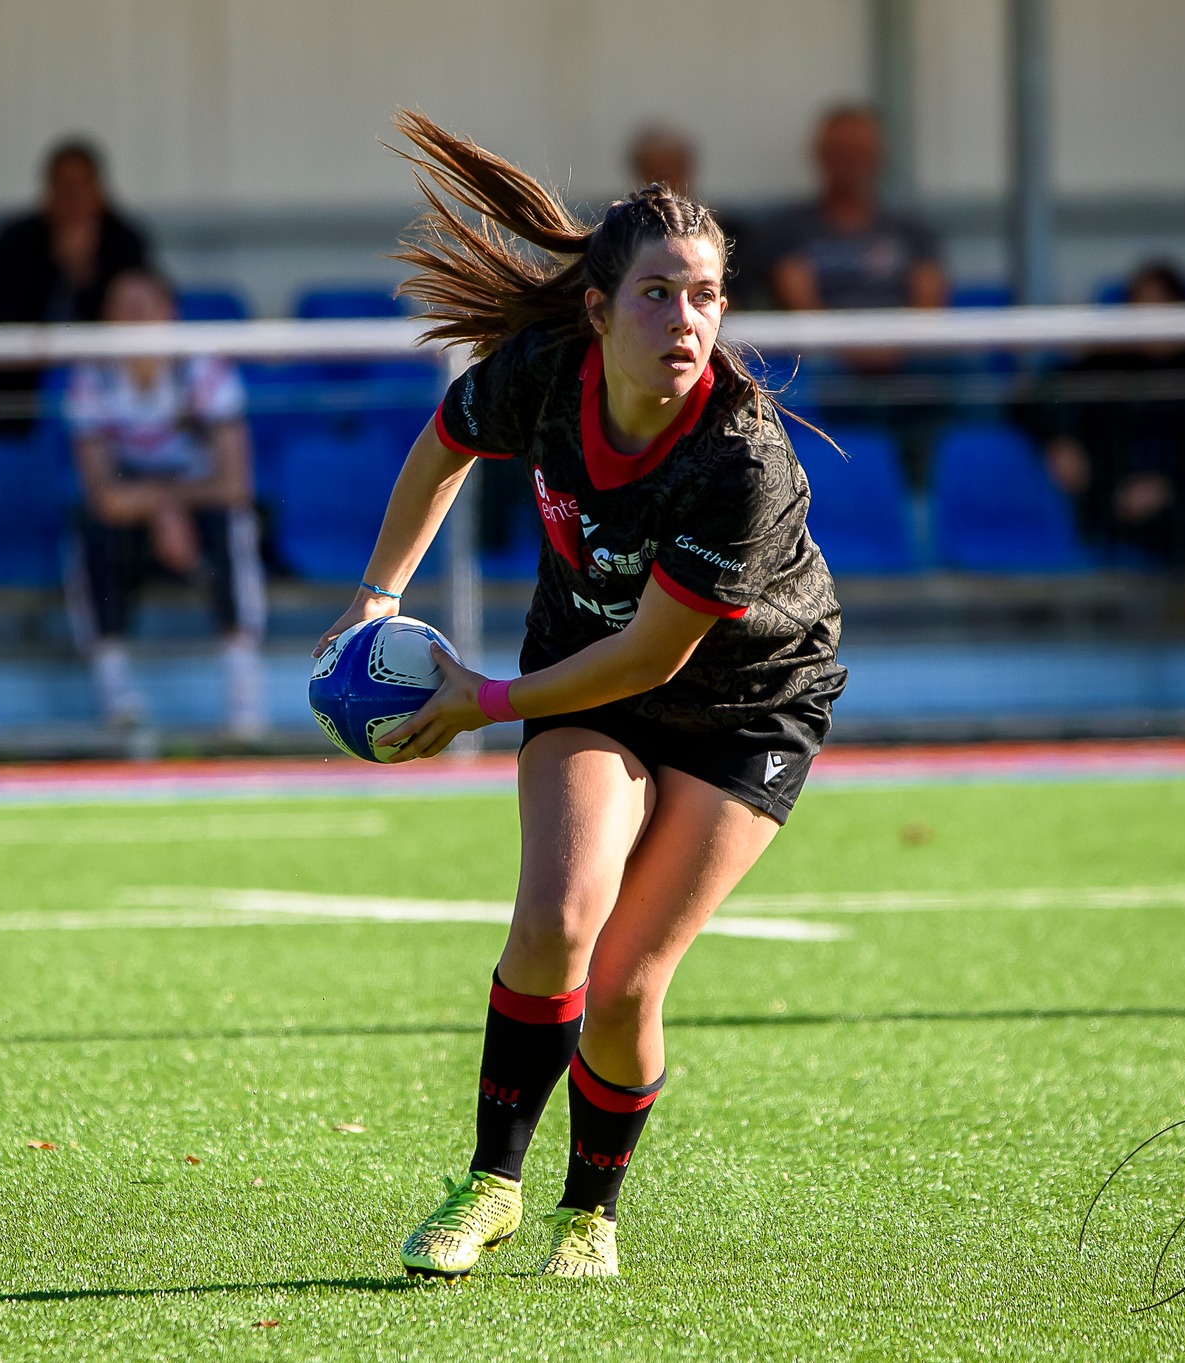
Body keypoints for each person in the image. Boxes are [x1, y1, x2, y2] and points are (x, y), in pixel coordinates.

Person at [322, 112, 845, 1280]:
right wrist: (374, 598)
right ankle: (489, 1187)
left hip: (746, 703)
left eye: (705, 296)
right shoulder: (547, 376)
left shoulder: (740, 459)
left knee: (622, 981)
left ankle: (589, 1213)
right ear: (599, 312)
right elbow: (442, 445)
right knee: (556, 924)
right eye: (657, 294)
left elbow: (654, 659)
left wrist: (480, 699)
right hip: (586, 669)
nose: (686, 320)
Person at [1017, 259, 1185, 708]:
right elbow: (1028, 397)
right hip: (1116, 513)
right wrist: (1059, 440)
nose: (1153, 320)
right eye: (1142, 308)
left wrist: (1168, 487)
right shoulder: (1105, 366)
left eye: (1163, 307)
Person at [64, 268, 266, 737]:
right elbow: (103, 494)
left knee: (233, 523)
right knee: (90, 530)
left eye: (145, 307)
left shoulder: (203, 369)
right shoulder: (91, 379)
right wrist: (160, 509)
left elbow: (235, 482)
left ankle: (243, 696)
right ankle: (116, 693)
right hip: (132, 515)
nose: (134, 321)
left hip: (199, 507)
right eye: (121, 310)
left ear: (169, 314)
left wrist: (170, 505)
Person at [761, 105, 950, 543]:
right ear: (819, 155)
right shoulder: (792, 229)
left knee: (956, 380)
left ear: (878, 156)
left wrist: (890, 349)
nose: (849, 159)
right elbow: (800, 304)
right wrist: (857, 349)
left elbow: (929, 308)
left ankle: (924, 509)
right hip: (829, 364)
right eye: (839, 149)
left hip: (906, 363)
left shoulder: (910, 231)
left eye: (859, 150)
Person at [0, 139, 154, 431]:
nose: (72, 199)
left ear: (101, 192)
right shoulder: (15, 240)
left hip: (104, 378)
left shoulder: (125, 240)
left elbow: (129, 320)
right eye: (62, 187)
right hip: (27, 383)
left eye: (81, 187)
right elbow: (3, 321)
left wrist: (83, 275)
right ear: (46, 192)